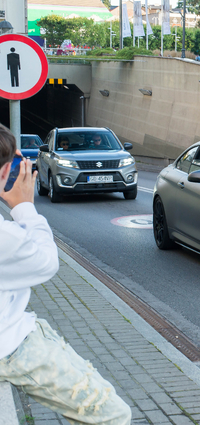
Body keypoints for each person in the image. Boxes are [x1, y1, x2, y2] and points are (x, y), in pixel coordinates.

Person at [0, 124, 131, 424]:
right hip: (10, 345)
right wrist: (23, 207)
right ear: (7, 171)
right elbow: (46, 261)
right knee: (113, 415)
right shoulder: (5, 236)